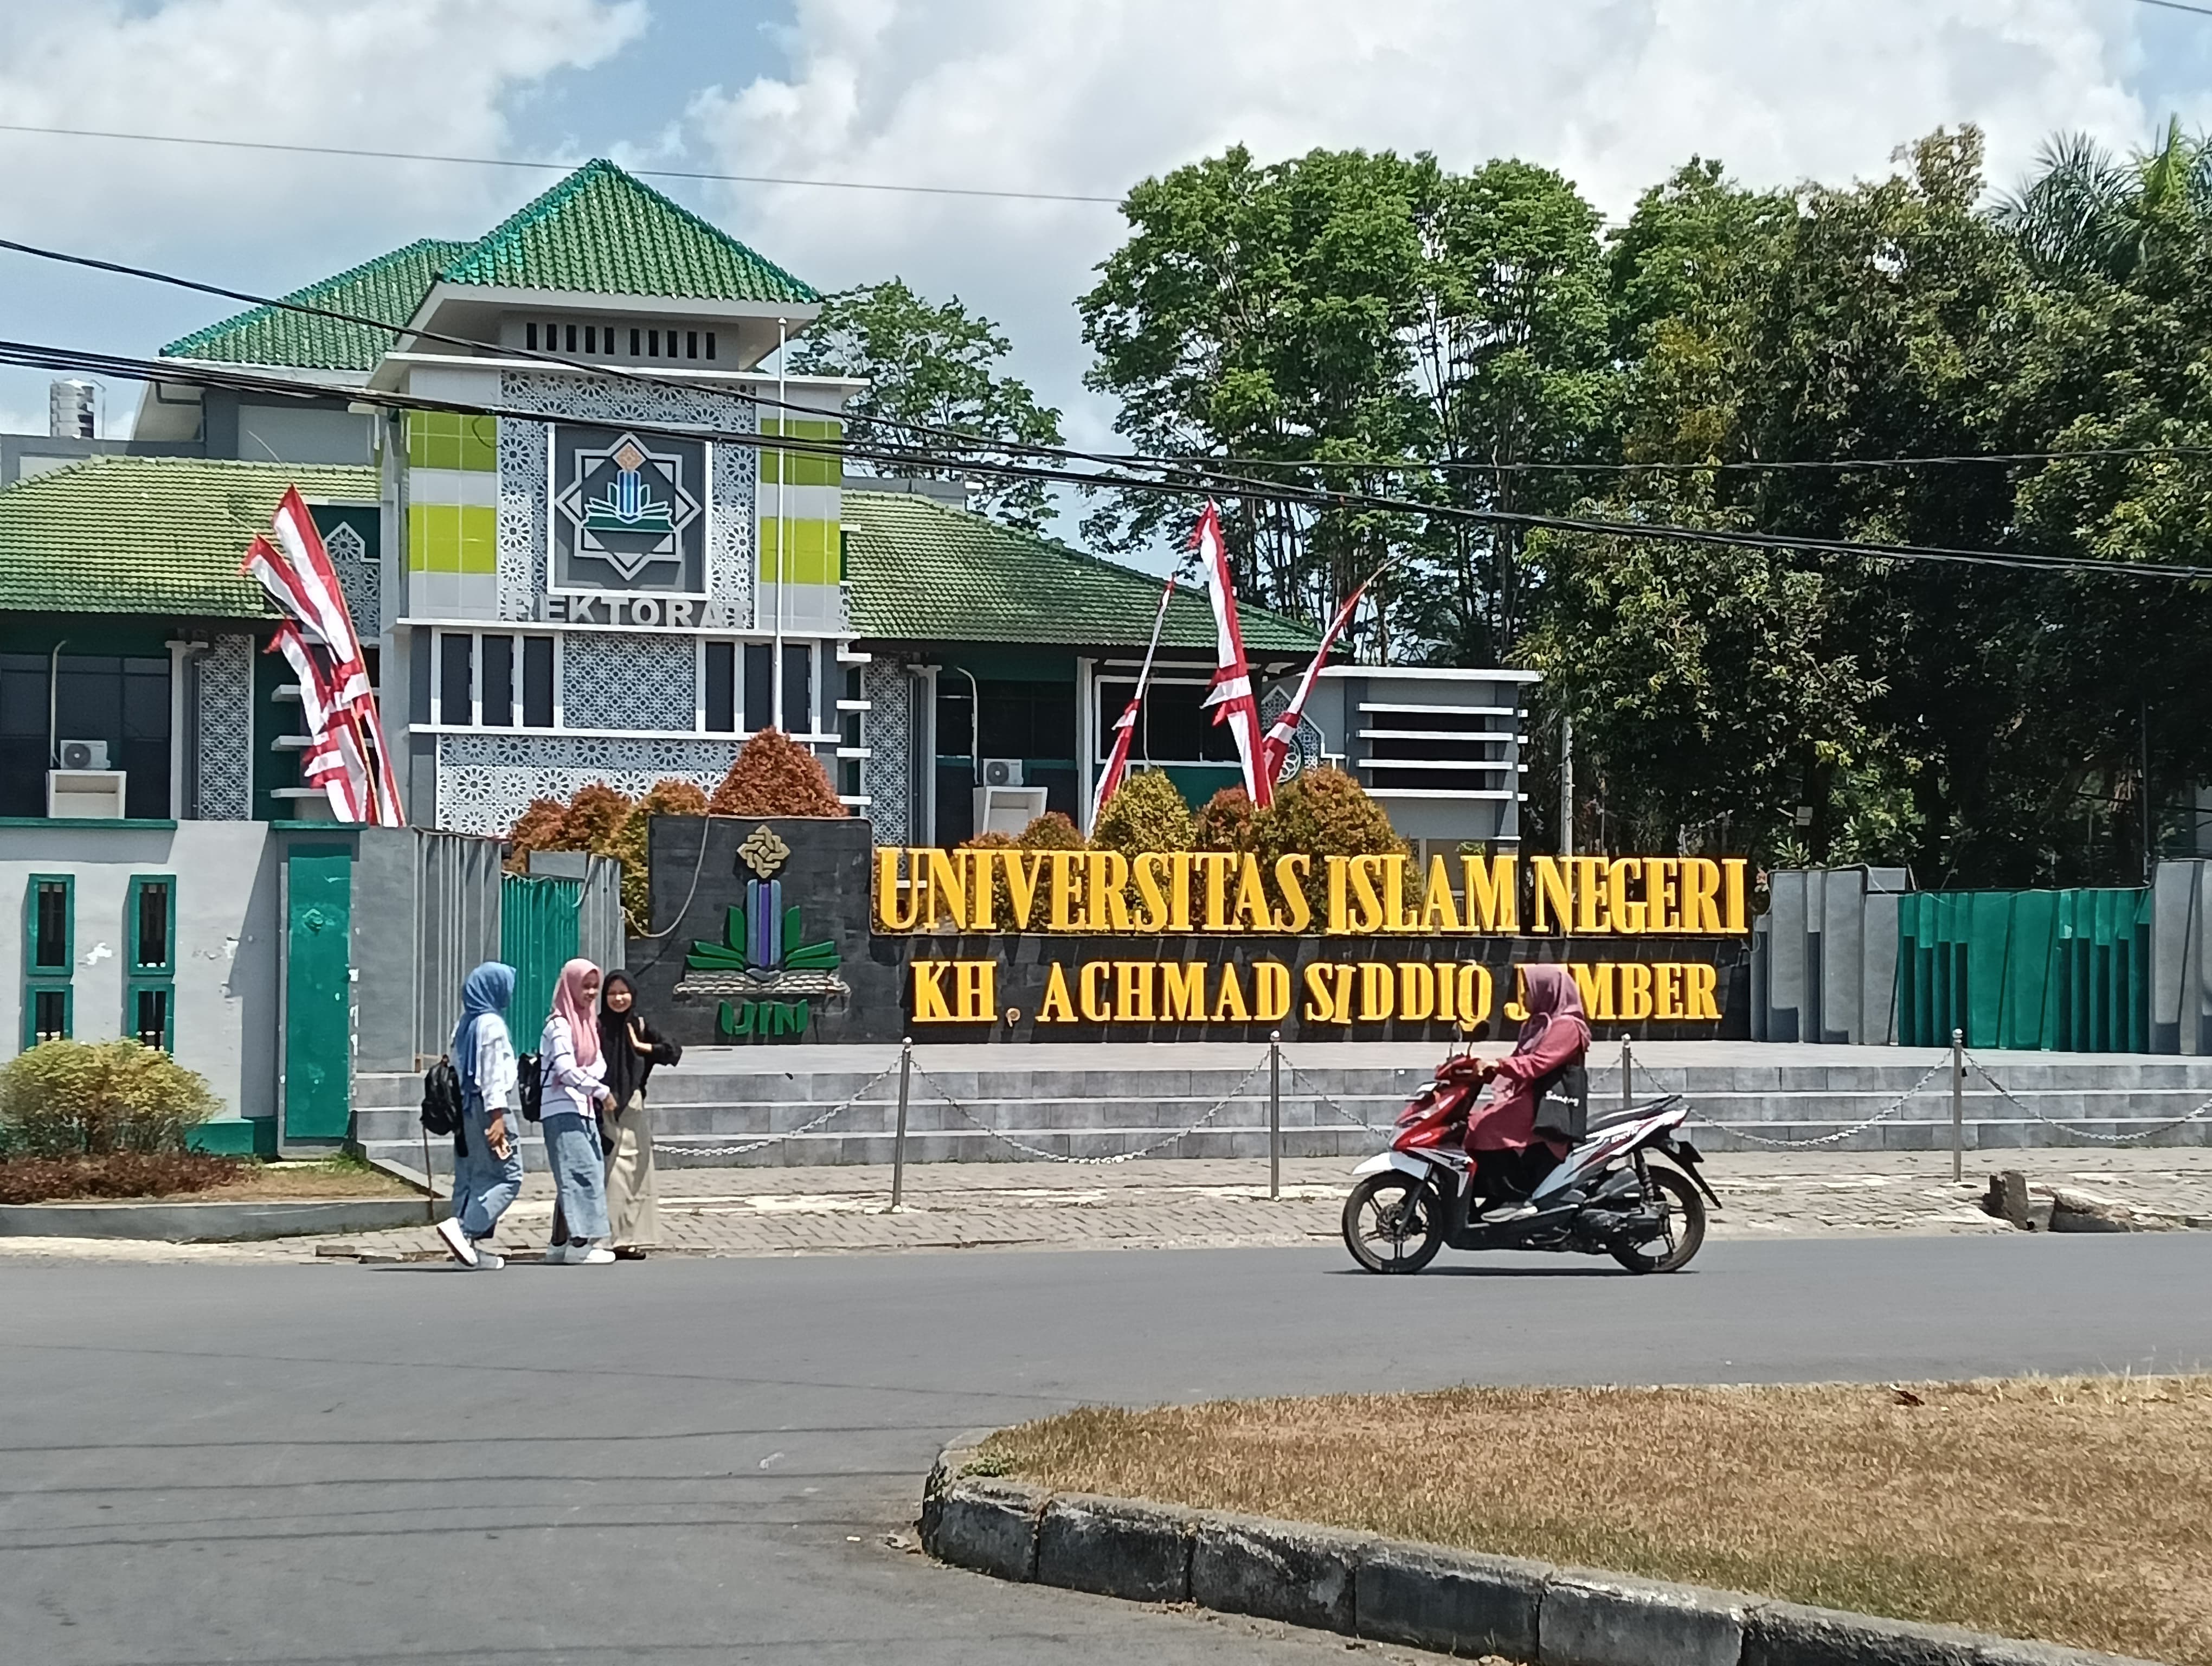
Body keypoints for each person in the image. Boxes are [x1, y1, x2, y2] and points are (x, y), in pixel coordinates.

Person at [1464, 964, 1591, 1201]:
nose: (1523, 997)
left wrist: (1498, 1064)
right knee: (1472, 1122)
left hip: (1546, 1102)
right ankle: (1496, 1194)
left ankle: (1511, 1194)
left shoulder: (1567, 1026)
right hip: (1529, 1095)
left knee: (1482, 1127)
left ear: (1547, 991)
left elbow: (1537, 1064)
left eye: (1529, 991)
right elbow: (1518, 1060)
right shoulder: (1537, 1025)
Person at [437, 962, 523, 1270]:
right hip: (490, 1109)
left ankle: (467, 1251)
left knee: (474, 1175)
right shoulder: (492, 1025)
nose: (509, 994)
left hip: (466, 1110)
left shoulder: (465, 1023)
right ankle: (463, 1229)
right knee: (509, 1176)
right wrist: (497, 1116)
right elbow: (492, 1074)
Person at [599, 970, 683, 1258]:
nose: (618, 998)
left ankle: (626, 1238)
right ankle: (606, 1236)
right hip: (602, 1107)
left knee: (635, 1174)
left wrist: (641, 1047)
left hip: (632, 1107)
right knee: (612, 1174)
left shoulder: (640, 1024)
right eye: (612, 993)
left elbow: (673, 1051)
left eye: (624, 993)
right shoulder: (596, 1026)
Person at [539, 957, 616, 1266]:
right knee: (583, 1174)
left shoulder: (586, 1023)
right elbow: (567, 1070)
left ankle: (559, 1244)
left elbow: (598, 1063)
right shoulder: (559, 1025)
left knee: (577, 1173)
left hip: (581, 1108)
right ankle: (580, 1244)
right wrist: (600, 1090)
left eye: (595, 986)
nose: (591, 993)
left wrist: (590, 1081)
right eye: (585, 986)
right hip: (562, 1109)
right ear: (571, 986)